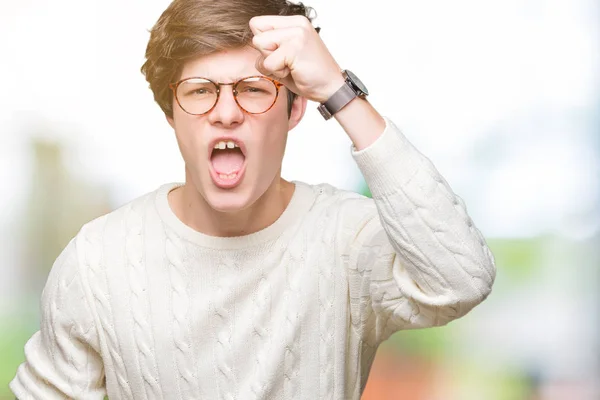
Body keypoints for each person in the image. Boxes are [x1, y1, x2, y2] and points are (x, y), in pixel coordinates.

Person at [10, 0, 496, 398]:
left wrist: (338, 90)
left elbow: (462, 279)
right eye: (200, 91)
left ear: (296, 108)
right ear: (170, 115)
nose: (226, 113)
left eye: (253, 89)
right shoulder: (98, 261)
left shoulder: (348, 240)